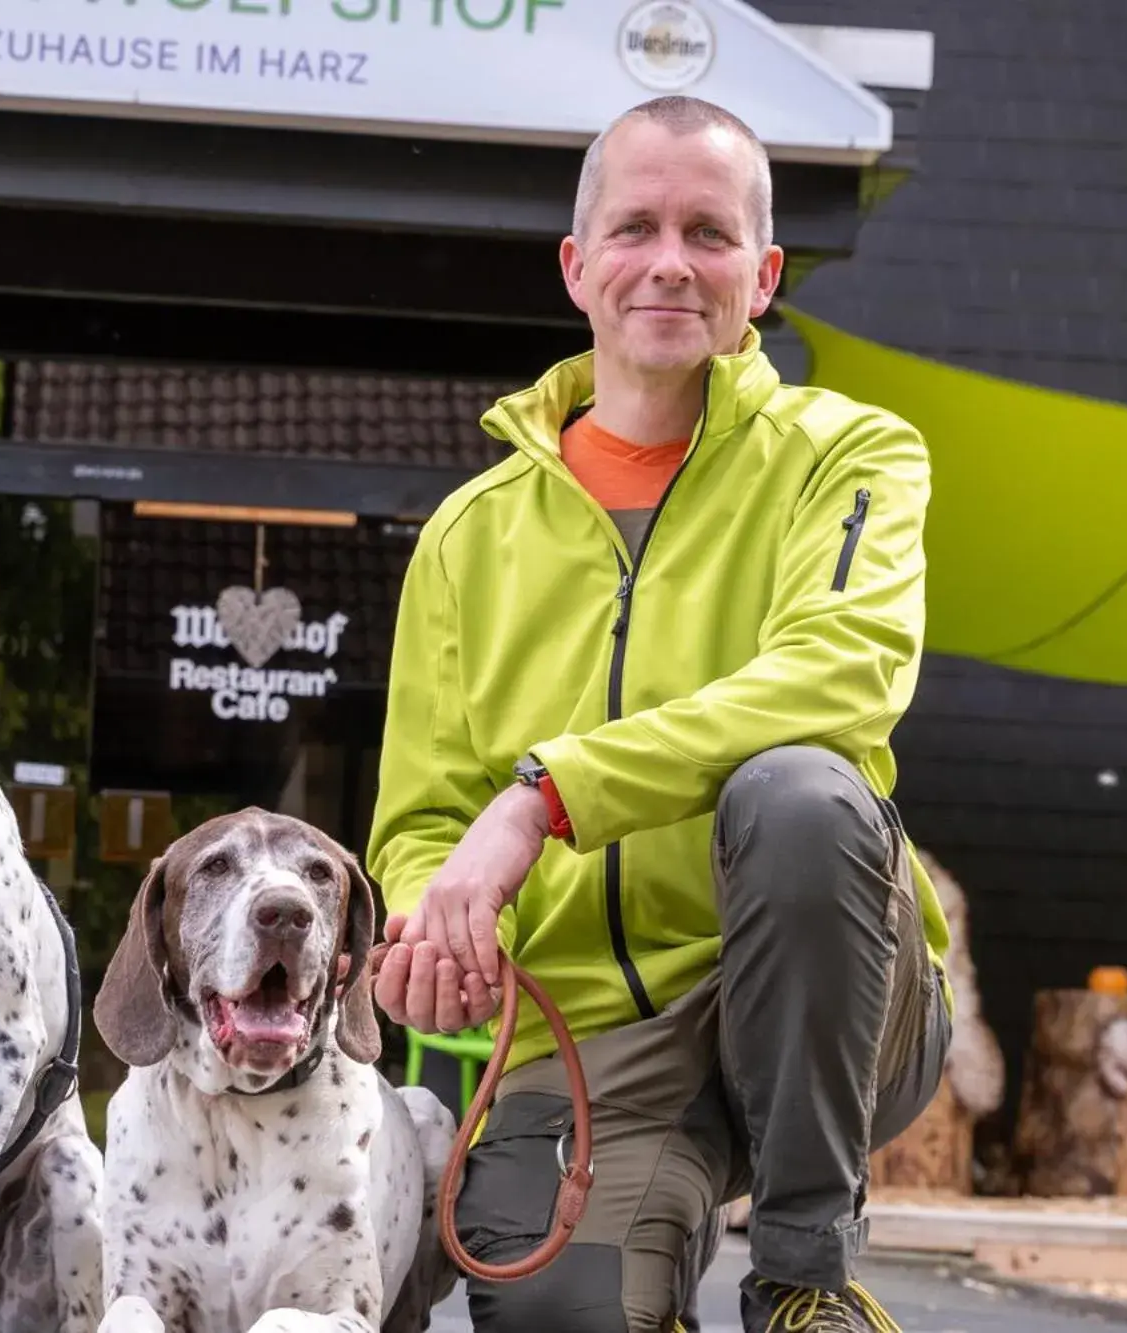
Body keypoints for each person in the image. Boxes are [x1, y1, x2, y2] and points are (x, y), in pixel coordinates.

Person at [365, 96, 951, 1333]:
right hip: (593, 1048)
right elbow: (419, 817)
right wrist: (430, 929)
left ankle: (805, 1275)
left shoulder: (852, 455)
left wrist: (544, 796)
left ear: (764, 272)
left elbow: (838, 674)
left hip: (829, 999)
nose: (670, 262)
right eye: (633, 227)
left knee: (797, 794)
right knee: (545, 1311)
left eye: (709, 231)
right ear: (578, 268)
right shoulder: (465, 540)